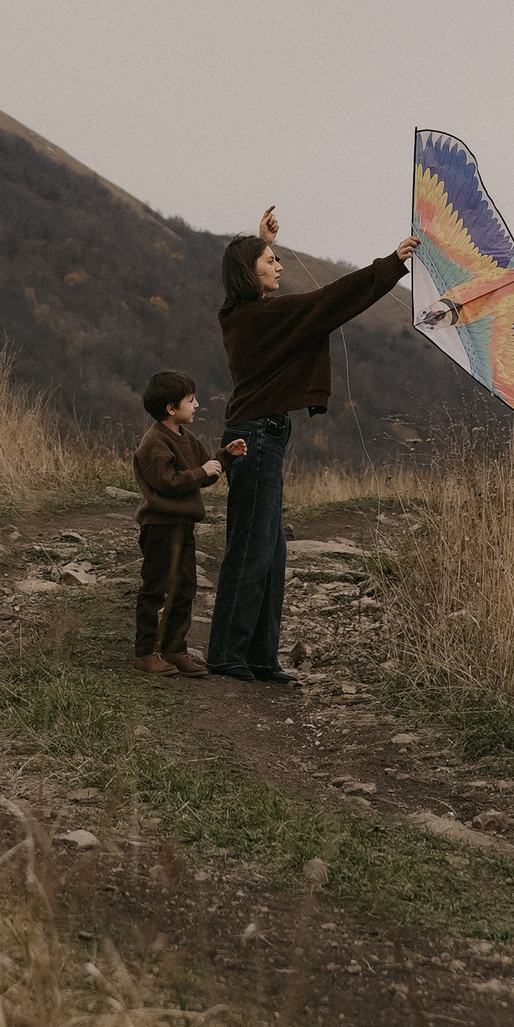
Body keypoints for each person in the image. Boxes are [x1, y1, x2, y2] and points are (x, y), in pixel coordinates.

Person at [203, 207, 419, 682]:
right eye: (269, 260)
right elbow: (331, 300)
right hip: (254, 437)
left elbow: (250, 290)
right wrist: (392, 263)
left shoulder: (240, 315)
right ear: (249, 273)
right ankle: (226, 654)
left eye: (276, 258)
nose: (279, 265)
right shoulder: (259, 317)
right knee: (251, 548)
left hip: (261, 434)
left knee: (270, 550)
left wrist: (260, 241)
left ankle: (260, 657)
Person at [130, 370, 243, 677]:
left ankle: (174, 649)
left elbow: (202, 474)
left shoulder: (186, 439)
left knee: (184, 588)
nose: (197, 405)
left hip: (183, 525)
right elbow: (168, 483)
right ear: (171, 408)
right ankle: (146, 653)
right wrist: (201, 472)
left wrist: (224, 458)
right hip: (159, 527)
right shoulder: (155, 443)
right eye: (191, 400)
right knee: (156, 589)